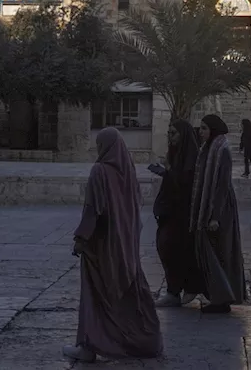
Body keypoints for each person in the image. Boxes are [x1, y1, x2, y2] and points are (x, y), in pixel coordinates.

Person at [64, 127, 163, 362]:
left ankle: (88, 346)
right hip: (125, 248)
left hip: (101, 247)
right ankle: (145, 341)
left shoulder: (99, 171)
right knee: (128, 294)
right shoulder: (127, 173)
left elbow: (92, 211)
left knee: (95, 293)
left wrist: (81, 239)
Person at [191, 114, 246, 314]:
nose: (201, 132)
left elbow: (222, 185)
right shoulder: (208, 148)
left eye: (205, 128)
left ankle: (222, 299)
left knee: (219, 252)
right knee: (212, 251)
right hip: (209, 206)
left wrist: (214, 215)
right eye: (201, 128)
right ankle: (218, 296)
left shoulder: (221, 150)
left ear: (213, 130)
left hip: (220, 209)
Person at [150, 120, 202, 308]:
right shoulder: (175, 153)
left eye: (174, 133)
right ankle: (178, 289)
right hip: (170, 212)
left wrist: (169, 169)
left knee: (175, 250)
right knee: (167, 248)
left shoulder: (191, 156)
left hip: (183, 214)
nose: (170, 137)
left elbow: (186, 183)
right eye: (169, 133)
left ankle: (177, 291)